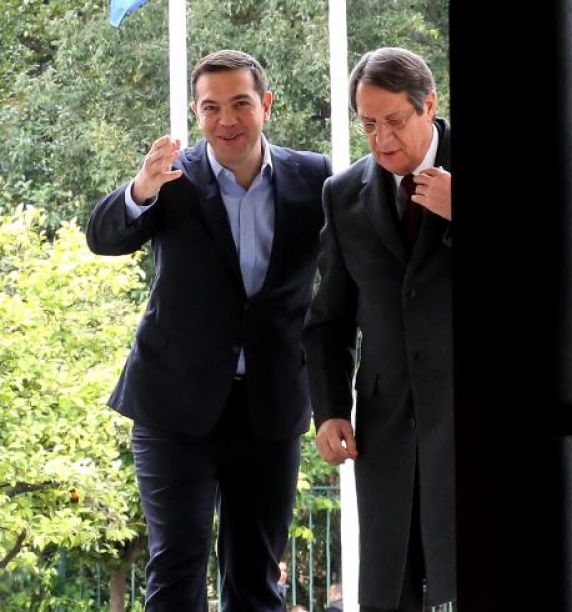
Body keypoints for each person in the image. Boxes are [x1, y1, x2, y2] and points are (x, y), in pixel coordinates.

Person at [86, 49, 330, 610]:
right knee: (177, 568)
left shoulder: (313, 176)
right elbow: (104, 237)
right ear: (197, 113)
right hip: (173, 406)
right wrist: (141, 188)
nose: (227, 120)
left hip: (269, 407)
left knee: (256, 578)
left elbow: (346, 280)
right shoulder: (171, 178)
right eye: (211, 107)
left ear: (266, 105)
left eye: (241, 103)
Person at [304, 47, 454, 612]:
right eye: (368, 124)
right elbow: (329, 318)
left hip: (470, 421)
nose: (381, 138)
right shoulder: (343, 194)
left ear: (429, 105)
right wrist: (329, 409)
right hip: (386, 429)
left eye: (394, 120)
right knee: (390, 591)